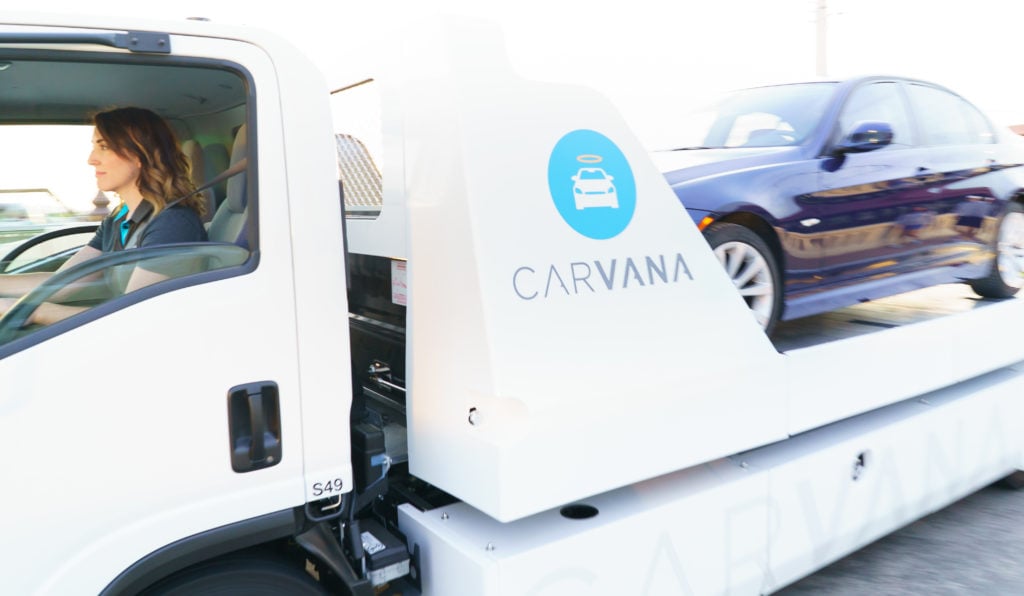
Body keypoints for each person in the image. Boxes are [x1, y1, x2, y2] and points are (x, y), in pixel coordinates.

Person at [0, 106, 208, 327]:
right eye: (94, 147)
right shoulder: (119, 218)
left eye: (104, 147)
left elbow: (132, 318)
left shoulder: (173, 224)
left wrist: (32, 312)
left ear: (140, 154)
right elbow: (63, 283)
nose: (91, 159)